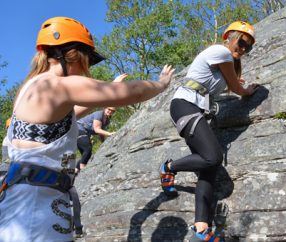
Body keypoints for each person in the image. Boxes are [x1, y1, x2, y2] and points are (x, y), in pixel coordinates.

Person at [0, 16, 174, 242]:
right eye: (88, 61)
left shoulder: (32, 88)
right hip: (35, 212)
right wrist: (161, 84)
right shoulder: (56, 84)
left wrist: (104, 94)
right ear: (73, 54)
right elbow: (136, 92)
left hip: (27, 203)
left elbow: (71, 112)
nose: (86, 68)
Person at [159, 21, 258, 241]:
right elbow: (239, 90)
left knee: (209, 168)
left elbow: (224, 84)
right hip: (185, 105)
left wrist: (230, 82)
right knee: (213, 156)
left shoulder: (226, 66)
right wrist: (245, 89)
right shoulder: (220, 52)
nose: (242, 49)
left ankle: (201, 229)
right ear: (228, 37)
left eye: (248, 47)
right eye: (241, 42)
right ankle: (169, 167)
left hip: (195, 110)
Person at [76, 106, 119, 171]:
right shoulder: (99, 114)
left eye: (112, 111)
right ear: (105, 108)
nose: (110, 111)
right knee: (87, 148)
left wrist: (103, 142)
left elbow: (101, 132)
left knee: (87, 154)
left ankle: (76, 169)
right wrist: (109, 133)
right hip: (78, 128)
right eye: (109, 109)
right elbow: (97, 129)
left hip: (84, 132)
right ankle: (83, 168)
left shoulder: (107, 121)